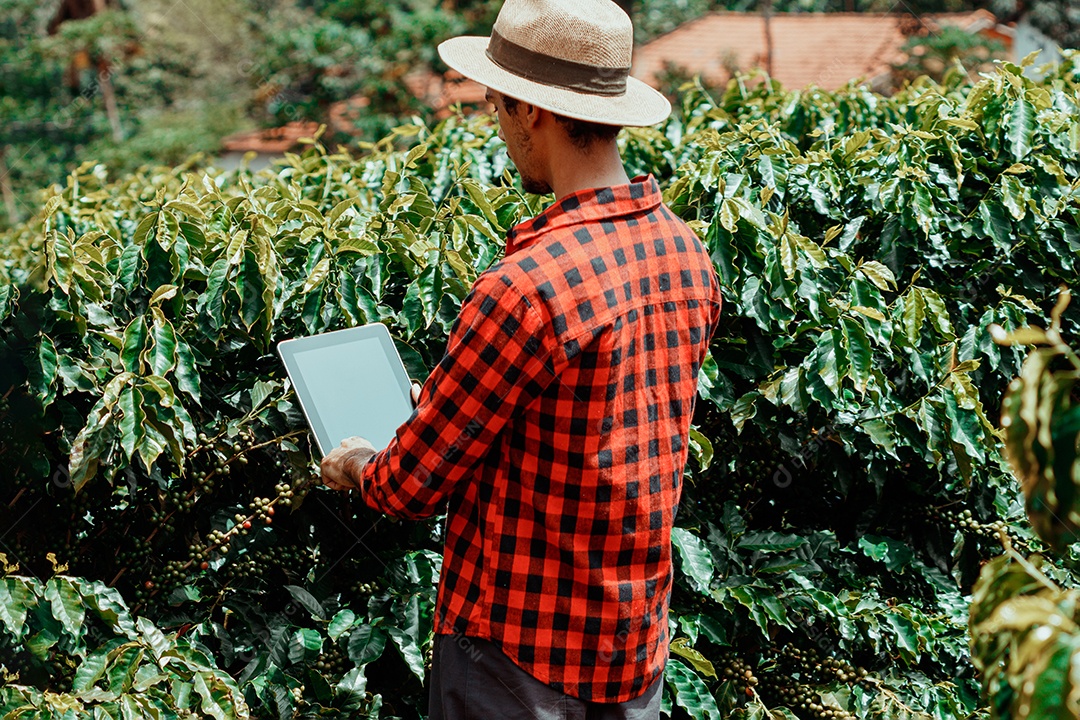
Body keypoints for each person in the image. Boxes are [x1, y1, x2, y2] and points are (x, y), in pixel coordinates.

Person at [320, 0, 723, 716]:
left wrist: (356, 461)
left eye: (494, 105)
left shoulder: (526, 286)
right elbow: (588, 418)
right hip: (630, 649)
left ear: (530, 109)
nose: (498, 129)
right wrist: (441, 402)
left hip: (516, 658)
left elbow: (409, 489)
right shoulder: (684, 254)